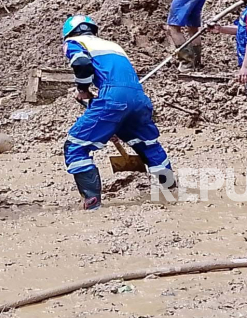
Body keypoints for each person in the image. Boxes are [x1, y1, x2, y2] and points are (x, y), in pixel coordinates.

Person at [62, 15, 175, 210]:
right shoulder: (113, 46)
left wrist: (82, 90)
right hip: (138, 97)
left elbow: (81, 63)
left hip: (114, 97)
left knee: (75, 146)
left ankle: (92, 202)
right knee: (148, 144)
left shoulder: (74, 42)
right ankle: (171, 189)